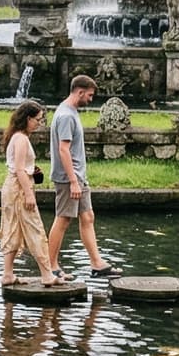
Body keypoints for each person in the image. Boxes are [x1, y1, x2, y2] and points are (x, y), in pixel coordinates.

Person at [47, 74, 118, 280]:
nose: (90, 99)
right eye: (89, 95)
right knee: (63, 219)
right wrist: (73, 181)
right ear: (79, 92)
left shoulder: (70, 111)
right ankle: (51, 266)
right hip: (69, 178)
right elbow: (63, 150)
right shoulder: (66, 116)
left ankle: (97, 264)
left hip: (78, 177)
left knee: (88, 217)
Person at [0, 99, 60, 287]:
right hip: (18, 188)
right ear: (27, 118)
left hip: (12, 187)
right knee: (35, 228)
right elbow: (19, 169)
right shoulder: (22, 139)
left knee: (13, 228)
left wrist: (32, 170)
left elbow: (20, 167)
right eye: (38, 120)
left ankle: (8, 274)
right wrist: (29, 194)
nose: (39, 124)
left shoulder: (16, 137)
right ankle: (47, 274)